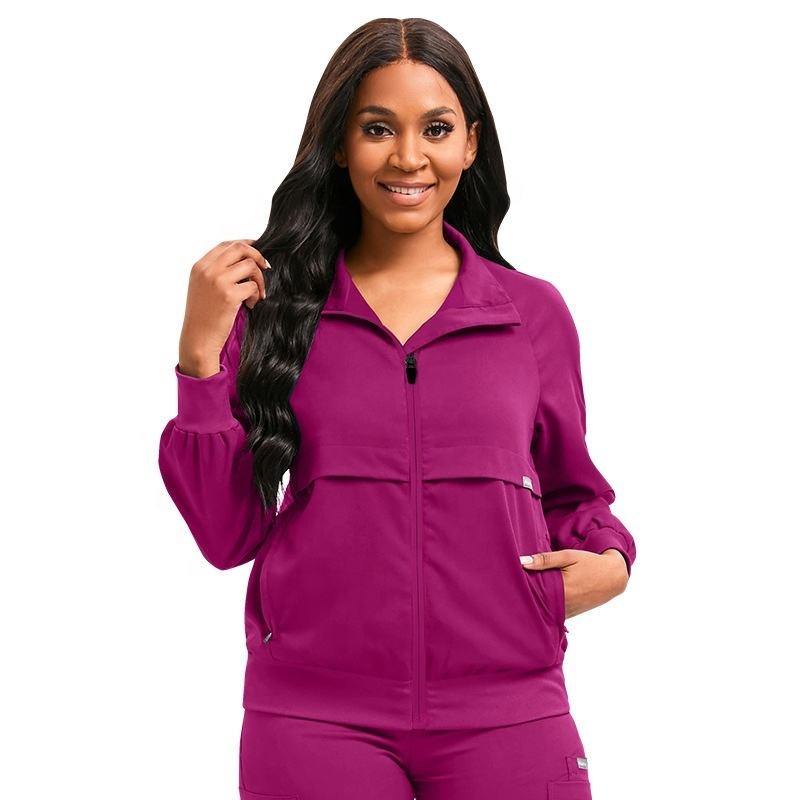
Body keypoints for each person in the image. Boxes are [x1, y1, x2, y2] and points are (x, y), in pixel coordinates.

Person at [158, 17, 635, 800]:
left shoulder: (530, 314)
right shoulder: (277, 312)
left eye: (436, 129)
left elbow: (574, 493)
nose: (409, 157)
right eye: (378, 128)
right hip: (313, 715)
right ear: (339, 145)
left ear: (470, 145)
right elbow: (225, 533)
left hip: (507, 707)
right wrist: (200, 357)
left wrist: (610, 561)